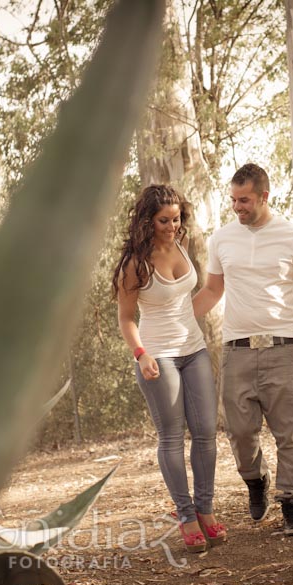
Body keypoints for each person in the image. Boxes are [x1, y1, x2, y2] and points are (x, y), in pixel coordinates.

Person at [193, 163, 293, 535]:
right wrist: (176, 317)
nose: (237, 207)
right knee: (239, 432)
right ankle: (256, 480)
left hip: (285, 348)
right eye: (234, 200)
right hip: (237, 349)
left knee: (289, 431)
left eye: (245, 200)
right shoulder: (222, 239)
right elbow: (212, 290)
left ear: (264, 196)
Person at [112, 184, 226, 553]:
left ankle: (205, 509)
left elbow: (190, 299)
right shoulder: (135, 265)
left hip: (194, 349)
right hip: (158, 355)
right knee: (172, 437)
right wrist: (141, 354)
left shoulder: (183, 243)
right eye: (164, 220)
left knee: (206, 432)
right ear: (148, 221)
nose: (172, 226)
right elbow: (126, 318)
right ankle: (187, 516)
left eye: (176, 219)